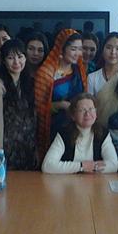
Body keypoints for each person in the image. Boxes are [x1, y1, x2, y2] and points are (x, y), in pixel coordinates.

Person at [34, 29, 87, 160]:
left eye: (80, 49)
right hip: (54, 127)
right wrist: (60, 105)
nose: (78, 53)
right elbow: (38, 108)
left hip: (78, 126)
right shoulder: (46, 73)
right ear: (61, 48)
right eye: (73, 49)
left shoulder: (79, 70)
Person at [0, 40, 39, 170]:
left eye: (20, 56)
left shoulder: (29, 82)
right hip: (8, 145)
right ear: (3, 60)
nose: (16, 62)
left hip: (28, 145)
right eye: (11, 58)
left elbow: (34, 117)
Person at [42, 93, 118, 174]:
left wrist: (93, 167)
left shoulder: (103, 133)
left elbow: (113, 165)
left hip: (95, 181)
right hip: (68, 181)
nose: (87, 114)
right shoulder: (64, 134)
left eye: (91, 109)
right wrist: (81, 166)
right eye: (82, 110)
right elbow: (47, 166)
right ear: (73, 115)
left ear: (96, 114)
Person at [87, 33, 118, 131]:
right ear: (102, 51)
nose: (113, 52)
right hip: (98, 130)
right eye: (109, 47)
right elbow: (89, 107)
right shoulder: (92, 78)